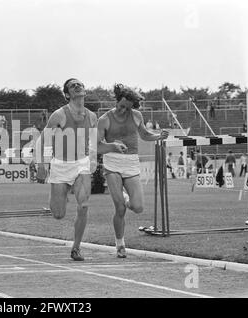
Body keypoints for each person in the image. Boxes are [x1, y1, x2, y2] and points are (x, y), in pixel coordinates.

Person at [35, 78, 106, 261]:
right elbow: (42, 140)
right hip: (60, 165)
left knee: (83, 205)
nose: (77, 86)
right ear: (67, 94)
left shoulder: (91, 116)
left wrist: (93, 160)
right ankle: (59, 191)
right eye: (72, 85)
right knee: (58, 214)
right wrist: (41, 165)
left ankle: (76, 247)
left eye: (79, 84)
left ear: (84, 90)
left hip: (80, 164)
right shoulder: (59, 115)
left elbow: (93, 143)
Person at [97, 83, 169, 258]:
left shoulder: (136, 115)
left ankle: (127, 197)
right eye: (121, 106)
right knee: (120, 208)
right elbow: (98, 147)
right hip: (112, 163)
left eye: (127, 108)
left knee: (137, 207)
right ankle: (120, 244)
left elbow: (144, 135)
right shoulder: (104, 119)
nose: (123, 110)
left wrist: (158, 136)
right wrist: (112, 145)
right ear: (117, 100)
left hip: (131, 162)